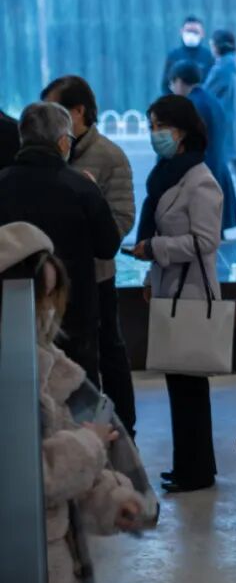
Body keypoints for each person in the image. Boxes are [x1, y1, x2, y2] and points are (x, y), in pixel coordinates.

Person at [0, 222, 156, 583]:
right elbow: (24, 475)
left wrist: (113, 501)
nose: (45, 311)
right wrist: (88, 445)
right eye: (37, 298)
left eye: (51, 297)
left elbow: (73, 475)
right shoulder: (15, 373)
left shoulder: (52, 369)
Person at [132, 95, 223, 493]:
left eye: (160, 126)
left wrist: (155, 249)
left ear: (182, 131)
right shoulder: (165, 174)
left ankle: (197, 471)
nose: (155, 134)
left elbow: (206, 241)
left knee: (190, 389)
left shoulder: (200, 180)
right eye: (151, 125)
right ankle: (188, 465)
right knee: (180, 386)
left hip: (191, 293)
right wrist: (150, 275)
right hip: (170, 287)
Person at [42, 75, 138, 437]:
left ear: (78, 111)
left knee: (108, 351)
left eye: (56, 109)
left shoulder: (109, 155)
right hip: (54, 279)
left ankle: (124, 429)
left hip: (96, 275)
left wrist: (90, 211)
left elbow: (123, 218)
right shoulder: (49, 157)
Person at [0, 102, 121, 383]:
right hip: (73, 311)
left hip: (12, 311)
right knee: (76, 389)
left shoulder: (2, 184)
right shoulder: (81, 187)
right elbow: (107, 246)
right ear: (63, 142)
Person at [169, 61, 236, 233]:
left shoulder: (190, 107)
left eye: (172, 84)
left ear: (179, 81)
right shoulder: (212, 101)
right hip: (218, 172)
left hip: (200, 178)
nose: (172, 89)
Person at [205, 29, 236, 211]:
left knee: (220, 163)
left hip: (223, 122)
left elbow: (207, 92)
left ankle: (224, 204)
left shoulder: (222, 67)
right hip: (235, 119)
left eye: (212, 44)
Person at [161, 15, 215, 95]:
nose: (191, 34)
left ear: (202, 33)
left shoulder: (209, 56)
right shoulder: (173, 56)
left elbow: (213, 85)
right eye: (188, 31)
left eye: (195, 32)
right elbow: (165, 84)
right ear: (181, 32)